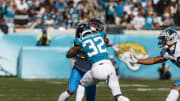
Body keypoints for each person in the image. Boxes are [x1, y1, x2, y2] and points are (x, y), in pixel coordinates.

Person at [65, 24, 130, 101]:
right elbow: (108, 42)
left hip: (97, 68)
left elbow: (69, 54)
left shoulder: (80, 41)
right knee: (118, 97)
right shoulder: (100, 35)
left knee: (81, 84)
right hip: (110, 67)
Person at [129, 28, 180, 101]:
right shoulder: (166, 51)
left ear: (171, 39)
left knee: (176, 88)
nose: (162, 41)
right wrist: (138, 61)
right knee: (176, 88)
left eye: (164, 39)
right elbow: (154, 60)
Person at [57, 24, 96, 101]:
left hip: (90, 72)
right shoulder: (77, 44)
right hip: (78, 70)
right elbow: (69, 55)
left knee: (91, 99)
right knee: (70, 91)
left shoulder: (93, 43)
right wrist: (80, 49)